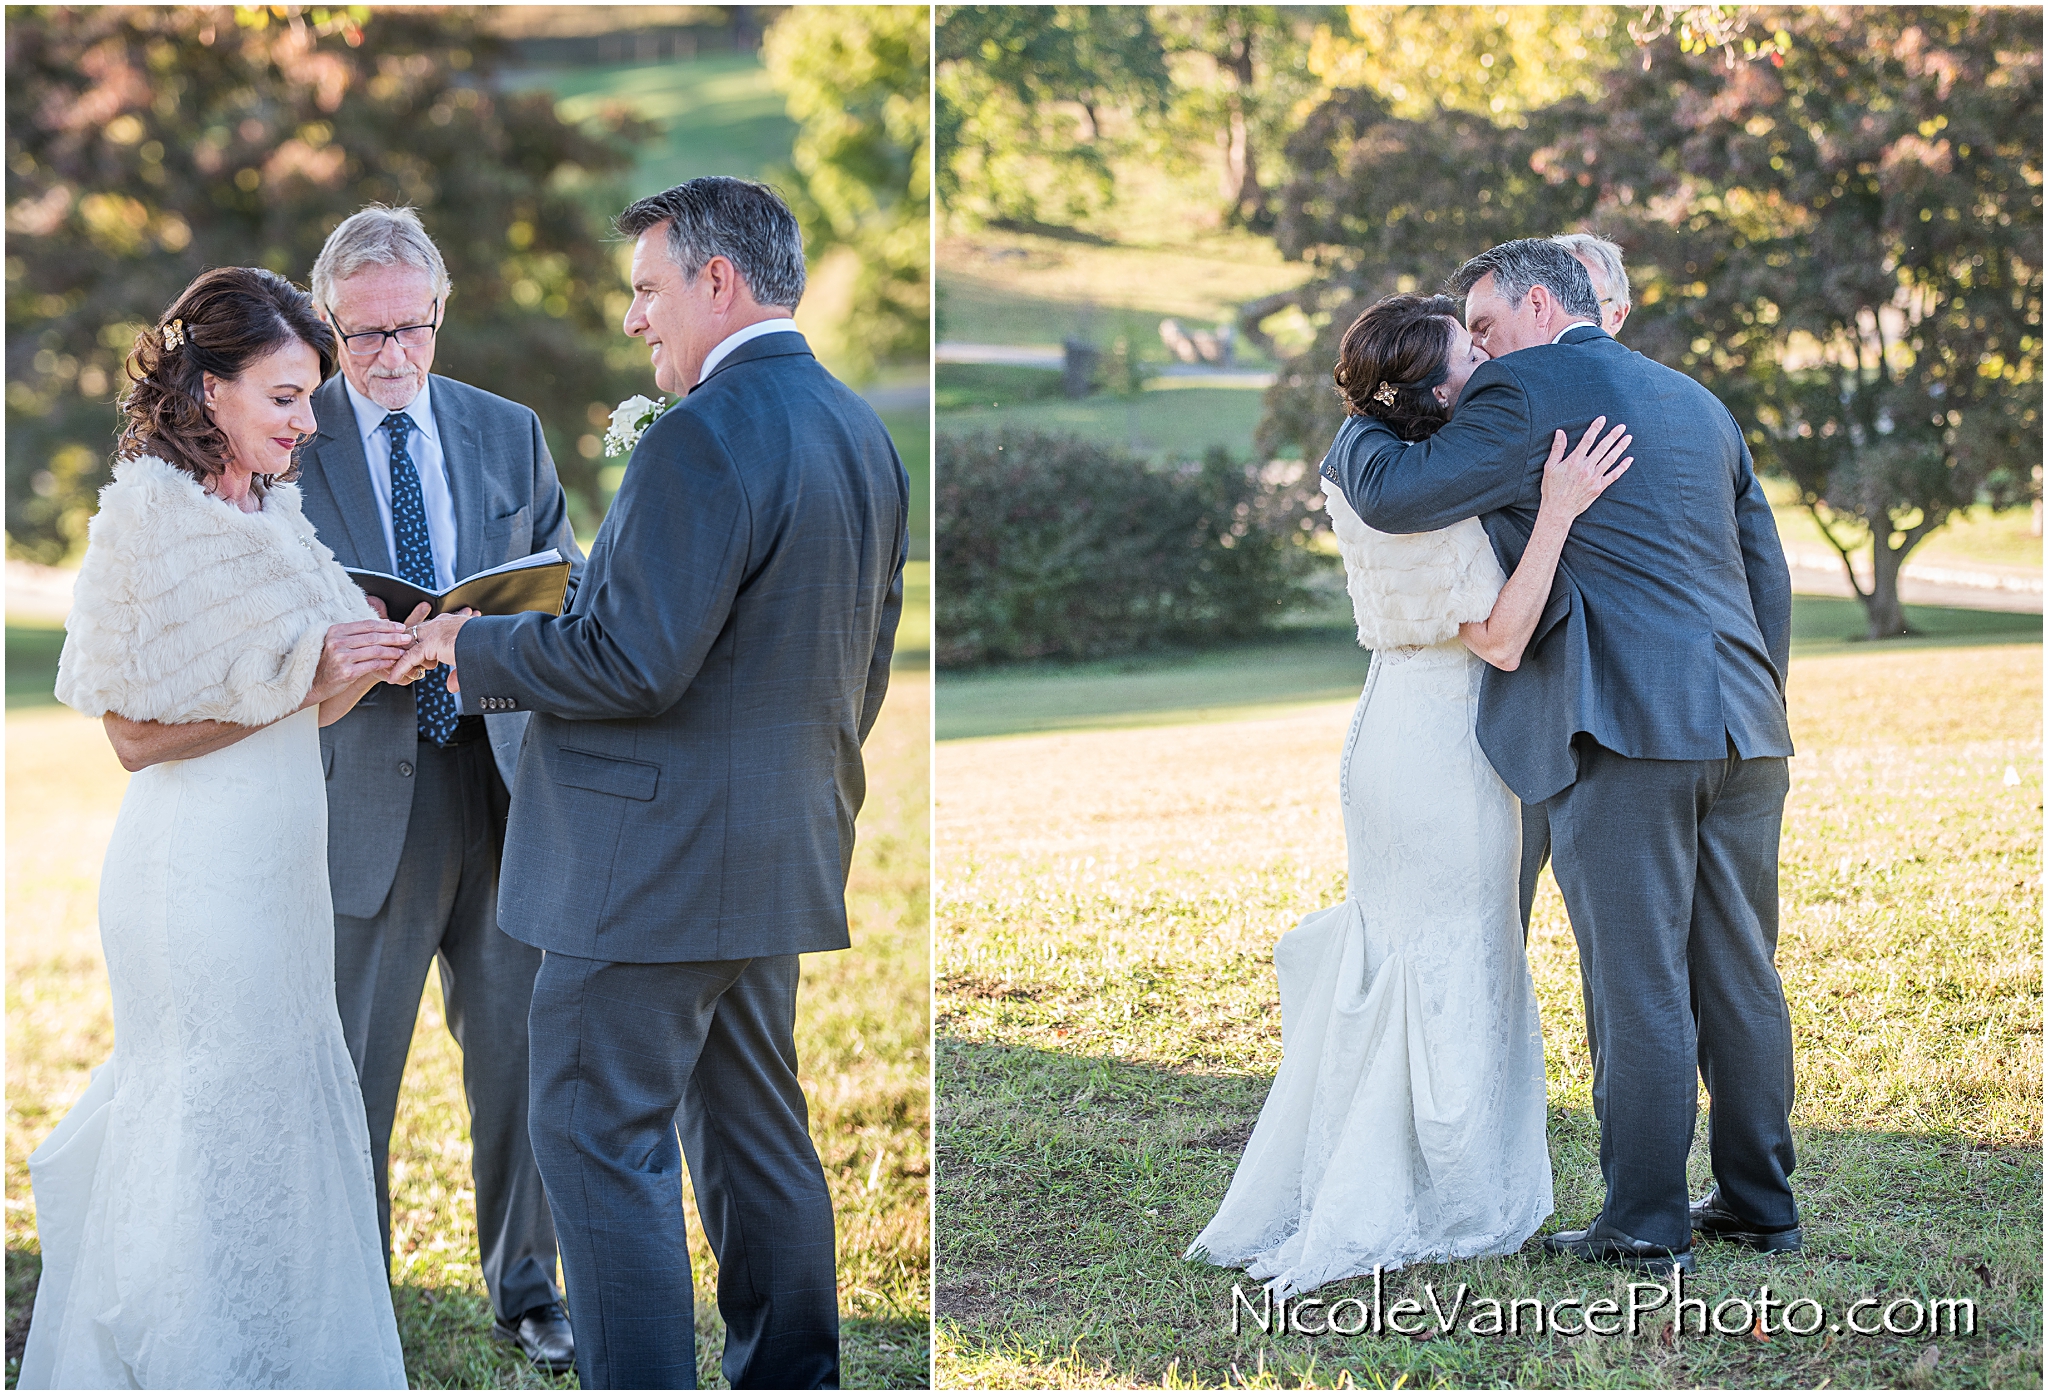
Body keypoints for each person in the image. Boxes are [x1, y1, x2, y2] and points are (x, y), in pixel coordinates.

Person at [409, 177, 908, 1389]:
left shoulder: (702, 435)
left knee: (594, 1138)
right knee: (757, 1137)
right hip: (778, 847)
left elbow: (629, 661)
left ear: (716, 283)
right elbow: (861, 654)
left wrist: (462, 645)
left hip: (642, 873)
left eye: (646, 289)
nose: (635, 319)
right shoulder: (856, 427)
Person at [1326, 238, 1800, 1274]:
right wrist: (1749, 696)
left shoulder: (1522, 389)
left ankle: (1641, 1220)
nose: (1479, 351)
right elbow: (1762, 569)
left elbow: (1396, 495)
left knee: (1634, 984)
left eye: (1485, 325)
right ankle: (1761, 1202)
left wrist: (1353, 423)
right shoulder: (1695, 401)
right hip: (1743, 726)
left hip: (1622, 728)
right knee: (1738, 972)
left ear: (1539, 304)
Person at [20, 267, 420, 1388]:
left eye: (309, 400)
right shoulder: (147, 517)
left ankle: (277, 1357)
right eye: (285, 398)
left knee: (284, 1110)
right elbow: (134, 736)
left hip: (281, 866)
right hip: (193, 879)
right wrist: (306, 681)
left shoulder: (275, 512)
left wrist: (385, 656)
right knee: (213, 1112)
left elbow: (310, 690)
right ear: (208, 391)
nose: (308, 423)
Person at [1186, 293, 1632, 1298]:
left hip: (1389, 734)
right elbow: (1502, 639)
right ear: (1436, 395)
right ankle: (1450, 1192)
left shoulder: (1377, 467)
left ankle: (1413, 1165)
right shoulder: (1424, 510)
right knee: (1457, 955)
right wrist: (1557, 509)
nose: (1485, 362)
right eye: (1467, 356)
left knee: (1408, 954)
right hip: (1440, 756)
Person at [294, 204, 583, 1371]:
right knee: (356, 1061)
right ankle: (352, 1294)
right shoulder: (288, 435)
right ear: (327, 327)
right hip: (366, 785)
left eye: (410, 330)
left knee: (518, 1053)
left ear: (438, 314)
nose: (390, 359)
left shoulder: (507, 431)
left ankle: (528, 1288)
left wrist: (486, 627)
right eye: (363, 337)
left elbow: (567, 578)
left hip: (504, 780)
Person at [1512, 232, 1634, 936]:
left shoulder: (1670, 408)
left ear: (1613, 315)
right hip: (1522, 700)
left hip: (1623, 719)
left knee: (1618, 936)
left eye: (1587, 298)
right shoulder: (1505, 411)